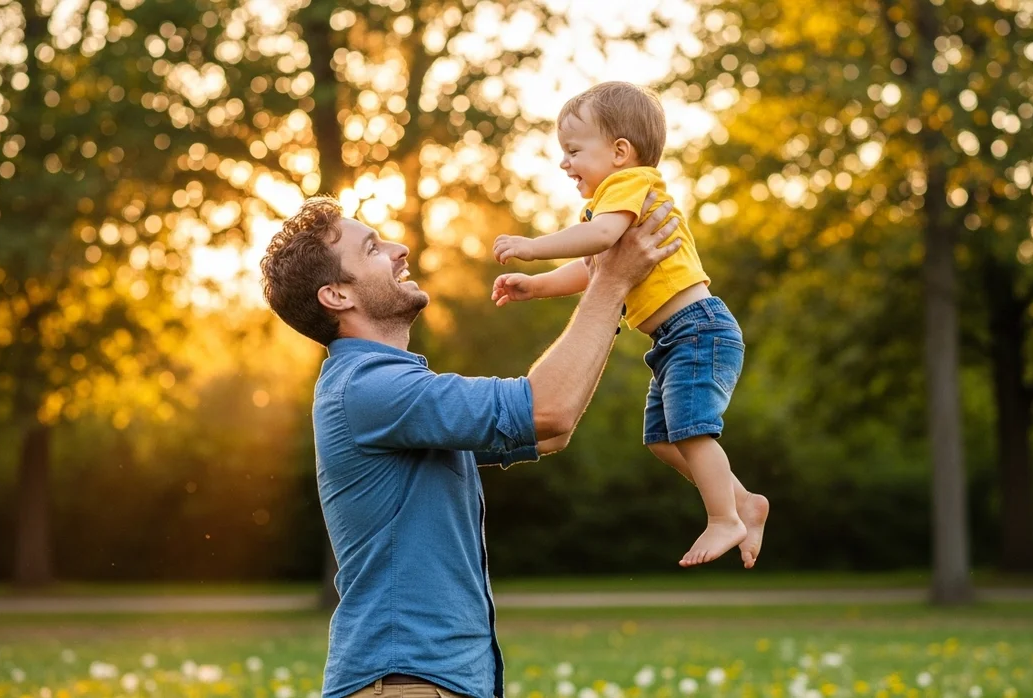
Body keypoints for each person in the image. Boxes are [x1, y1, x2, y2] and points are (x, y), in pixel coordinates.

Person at [259, 192, 681, 698]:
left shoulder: (391, 392)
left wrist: (606, 285)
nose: (399, 249)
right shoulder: (370, 389)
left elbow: (551, 430)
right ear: (337, 296)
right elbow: (547, 408)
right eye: (372, 249)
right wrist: (612, 281)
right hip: (406, 682)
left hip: (433, 680)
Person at [489, 81, 769, 568]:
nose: (564, 164)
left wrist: (531, 246)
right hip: (673, 338)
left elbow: (596, 237)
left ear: (620, 151)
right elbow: (593, 267)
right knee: (662, 439)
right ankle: (744, 501)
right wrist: (535, 285)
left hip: (697, 329)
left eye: (574, 151)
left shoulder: (630, 185)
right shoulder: (612, 204)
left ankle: (724, 517)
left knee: (691, 430)